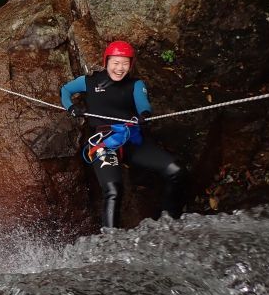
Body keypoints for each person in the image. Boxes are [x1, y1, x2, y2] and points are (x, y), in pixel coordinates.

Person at [60, 40, 184, 229]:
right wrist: (71, 107)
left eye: (125, 63)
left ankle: (170, 224)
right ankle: (110, 243)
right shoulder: (90, 81)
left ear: (131, 65)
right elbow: (65, 90)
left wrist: (144, 114)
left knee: (175, 170)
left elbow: (143, 103)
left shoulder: (135, 84)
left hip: (132, 139)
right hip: (105, 143)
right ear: (106, 61)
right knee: (113, 189)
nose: (120, 68)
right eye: (115, 63)